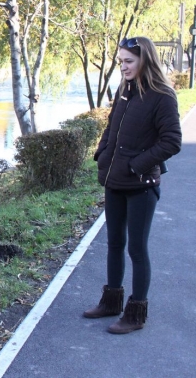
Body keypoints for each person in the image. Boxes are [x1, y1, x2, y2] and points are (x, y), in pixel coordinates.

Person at [83, 36, 182, 334]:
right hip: (114, 181)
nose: (123, 67)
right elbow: (112, 125)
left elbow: (172, 141)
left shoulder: (163, 96)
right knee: (114, 242)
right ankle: (111, 301)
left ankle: (136, 313)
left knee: (137, 249)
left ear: (145, 60)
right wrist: (102, 153)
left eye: (128, 61)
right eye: (120, 62)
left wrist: (136, 164)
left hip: (142, 185)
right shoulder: (125, 89)